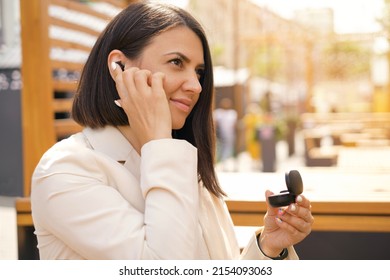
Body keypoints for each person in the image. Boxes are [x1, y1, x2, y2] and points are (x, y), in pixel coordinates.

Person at [31, 1, 313, 260]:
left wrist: (268, 248)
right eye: (177, 62)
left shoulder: (183, 164)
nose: (196, 85)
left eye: (199, 72)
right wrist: (159, 140)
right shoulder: (66, 171)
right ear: (119, 66)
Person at [214, 98, 237, 166]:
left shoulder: (232, 113)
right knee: (220, 148)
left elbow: (234, 125)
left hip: (230, 135)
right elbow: (215, 123)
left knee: (229, 148)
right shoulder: (218, 112)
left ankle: (225, 161)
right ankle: (221, 162)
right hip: (220, 134)